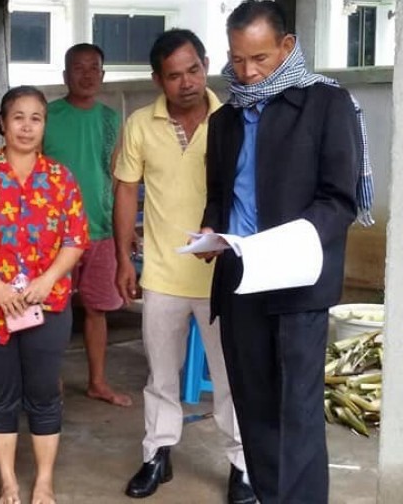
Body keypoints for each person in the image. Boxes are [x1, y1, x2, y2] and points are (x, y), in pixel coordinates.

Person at [200, 0, 362, 503]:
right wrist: (211, 231)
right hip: (239, 282)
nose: (247, 72)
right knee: (255, 410)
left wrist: (286, 244)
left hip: (297, 282)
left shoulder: (326, 104)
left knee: (297, 413)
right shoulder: (226, 119)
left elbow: (339, 198)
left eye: (260, 58)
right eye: (237, 59)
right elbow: (219, 194)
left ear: (287, 46)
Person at [112, 29, 255, 503]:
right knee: (161, 375)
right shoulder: (139, 124)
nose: (187, 82)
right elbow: (125, 190)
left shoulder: (233, 119)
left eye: (194, 70)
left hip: (223, 274)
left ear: (207, 65)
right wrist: (123, 258)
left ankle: (243, 465)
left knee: (232, 374)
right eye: (174, 75)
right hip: (162, 274)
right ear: (158, 80)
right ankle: (157, 453)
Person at [0, 85, 88, 504]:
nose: (27, 126)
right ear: (2, 124)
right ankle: (8, 481)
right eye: (18, 117)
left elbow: (75, 238)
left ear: (44, 125)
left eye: (35, 118)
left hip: (48, 302)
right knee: (0, 392)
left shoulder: (60, 178)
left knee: (44, 392)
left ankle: (44, 481)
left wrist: (48, 280)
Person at [42, 43, 131, 407]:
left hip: (101, 229)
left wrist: (125, 228)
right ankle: (50, 380)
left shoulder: (111, 119)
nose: (87, 74)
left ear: (103, 75)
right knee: (52, 310)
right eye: (78, 68)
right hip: (53, 235)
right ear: (65, 75)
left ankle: (97, 382)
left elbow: (118, 176)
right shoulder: (47, 116)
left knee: (98, 309)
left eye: (94, 67)